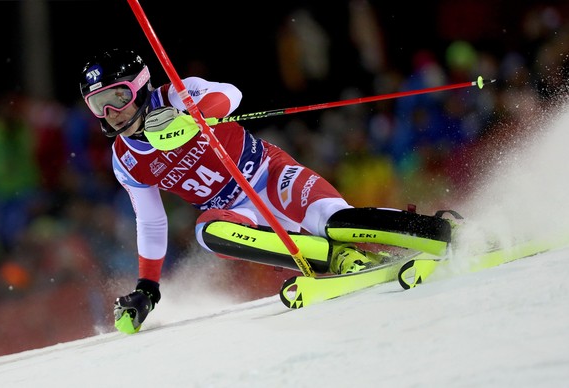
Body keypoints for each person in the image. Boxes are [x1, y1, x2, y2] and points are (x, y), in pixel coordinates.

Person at [79, 48, 453, 334]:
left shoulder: (176, 96)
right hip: (237, 210)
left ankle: (439, 230)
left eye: (118, 97)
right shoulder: (125, 160)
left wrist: (192, 117)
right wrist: (147, 288)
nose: (110, 112)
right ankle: (339, 261)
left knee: (333, 220)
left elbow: (231, 94)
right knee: (208, 232)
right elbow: (151, 222)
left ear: (141, 87)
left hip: (269, 175)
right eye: (98, 104)